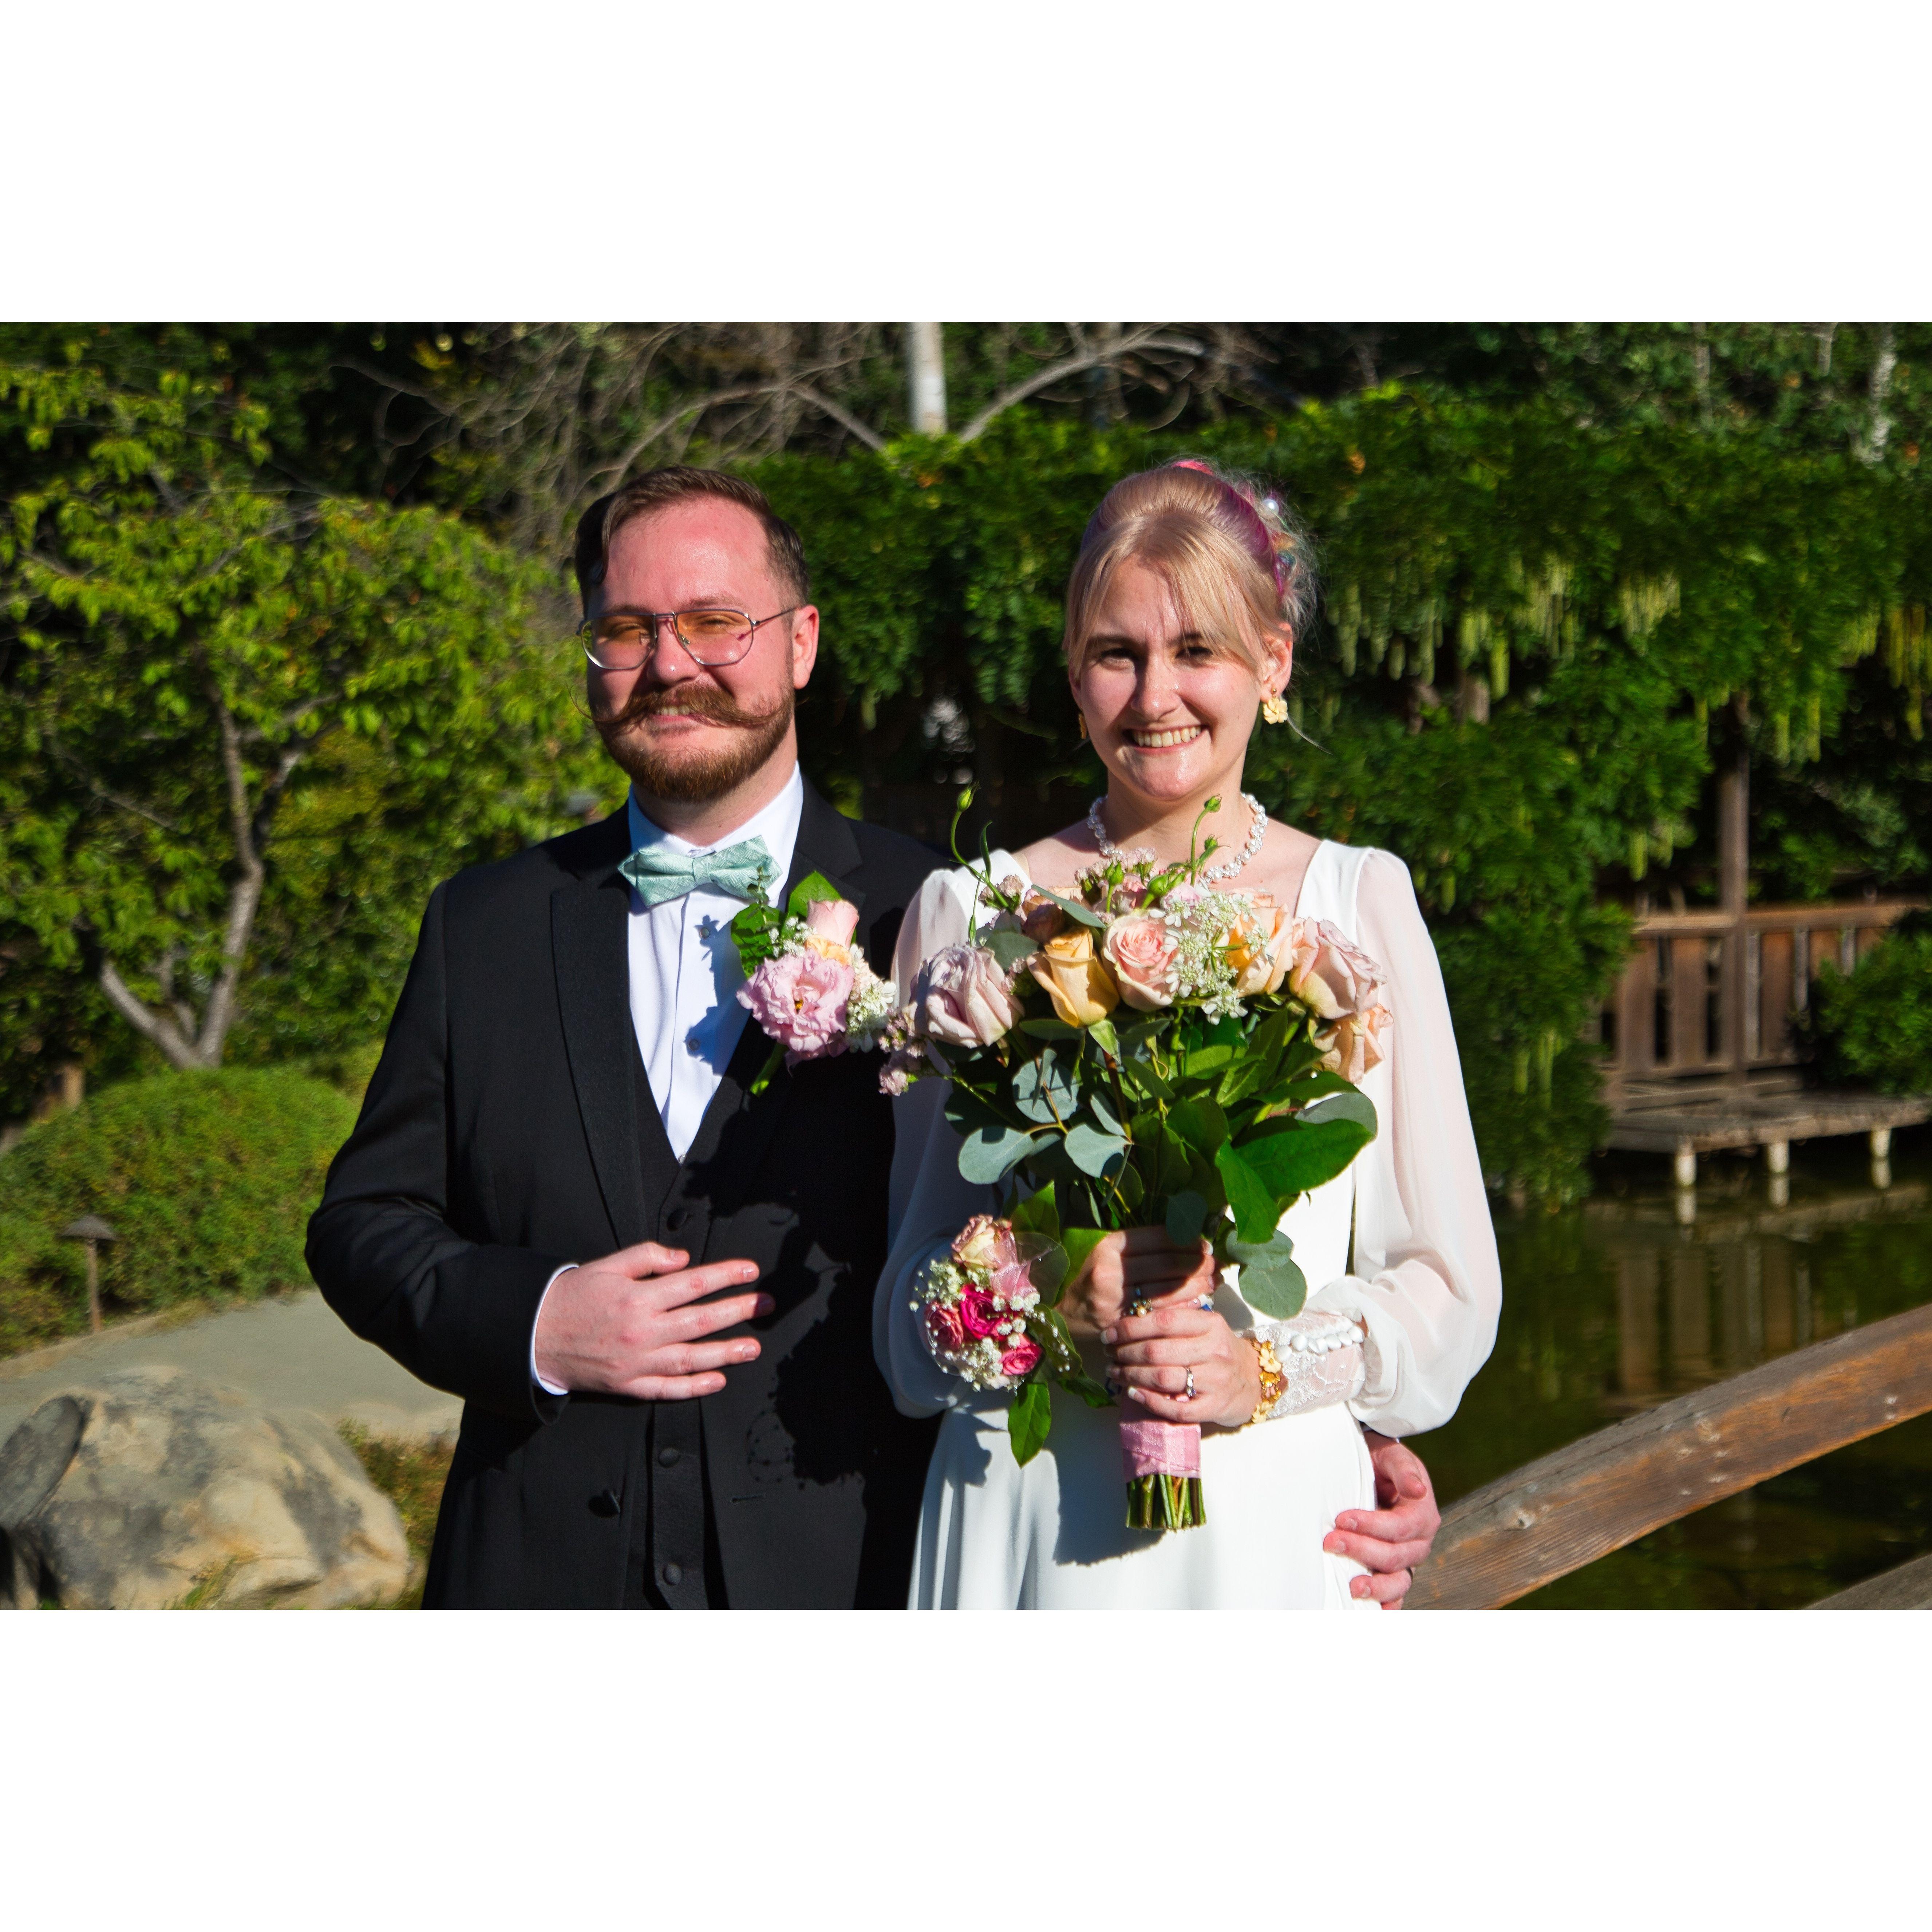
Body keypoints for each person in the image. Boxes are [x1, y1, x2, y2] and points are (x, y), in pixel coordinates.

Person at [308, 462, 1446, 1607]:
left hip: (850, 1575)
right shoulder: (484, 924)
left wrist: (1338, 1414)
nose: (671, 663)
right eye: (626, 630)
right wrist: (536, 1321)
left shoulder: (934, 911)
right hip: (537, 1582)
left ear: (801, 642)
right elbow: (363, 1223)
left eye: (715, 622)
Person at [877, 458, 1500, 1608]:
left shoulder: (1355, 906)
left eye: (1197, 649)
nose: (1153, 694)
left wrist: (1263, 1367)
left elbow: (1444, 1284)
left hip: (1270, 1520)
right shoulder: (971, 915)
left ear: (1273, 661)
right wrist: (1040, 1294)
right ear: (1074, 675)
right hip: (1026, 1510)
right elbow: (904, 1325)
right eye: (1116, 653)